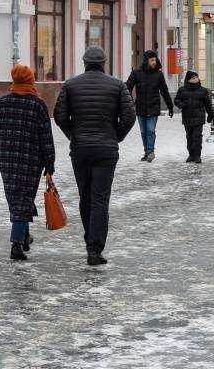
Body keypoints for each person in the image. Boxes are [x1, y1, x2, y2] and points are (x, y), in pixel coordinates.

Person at [54, 46, 136, 267]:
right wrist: (116, 136)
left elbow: (59, 115)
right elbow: (130, 115)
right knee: (100, 198)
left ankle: (89, 239)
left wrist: (73, 134)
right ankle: (95, 248)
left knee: (85, 196)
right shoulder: (117, 85)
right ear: (103, 63)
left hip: (80, 149)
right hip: (106, 149)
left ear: (84, 63)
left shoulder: (70, 85)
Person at [0, 64, 56, 262]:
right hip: (30, 160)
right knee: (23, 198)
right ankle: (16, 244)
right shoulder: (37, 104)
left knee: (17, 198)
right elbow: (45, 136)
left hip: (7, 159)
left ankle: (24, 237)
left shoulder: (2, 103)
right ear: (30, 81)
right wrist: (49, 161)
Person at [124, 49, 174, 162]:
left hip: (153, 106)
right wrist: (128, 102)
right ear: (146, 61)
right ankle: (147, 151)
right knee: (143, 131)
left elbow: (164, 91)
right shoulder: (136, 73)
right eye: (152, 60)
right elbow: (127, 87)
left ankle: (150, 151)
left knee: (150, 130)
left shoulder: (159, 75)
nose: (154, 62)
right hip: (140, 107)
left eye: (155, 60)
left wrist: (170, 106)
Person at [173, 70, 214, 164]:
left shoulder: (203, 90)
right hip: (187, 117)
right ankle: (191, 154)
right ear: (188, 79)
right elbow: (176, 100)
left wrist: (210, 114)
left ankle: (197, 155)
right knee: (189, 136)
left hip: (199, 117)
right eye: (193, 78)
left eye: (196, 77)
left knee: (197, 136)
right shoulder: (182, 90)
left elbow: (207, 103)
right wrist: (181, 104)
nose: (195, 79)